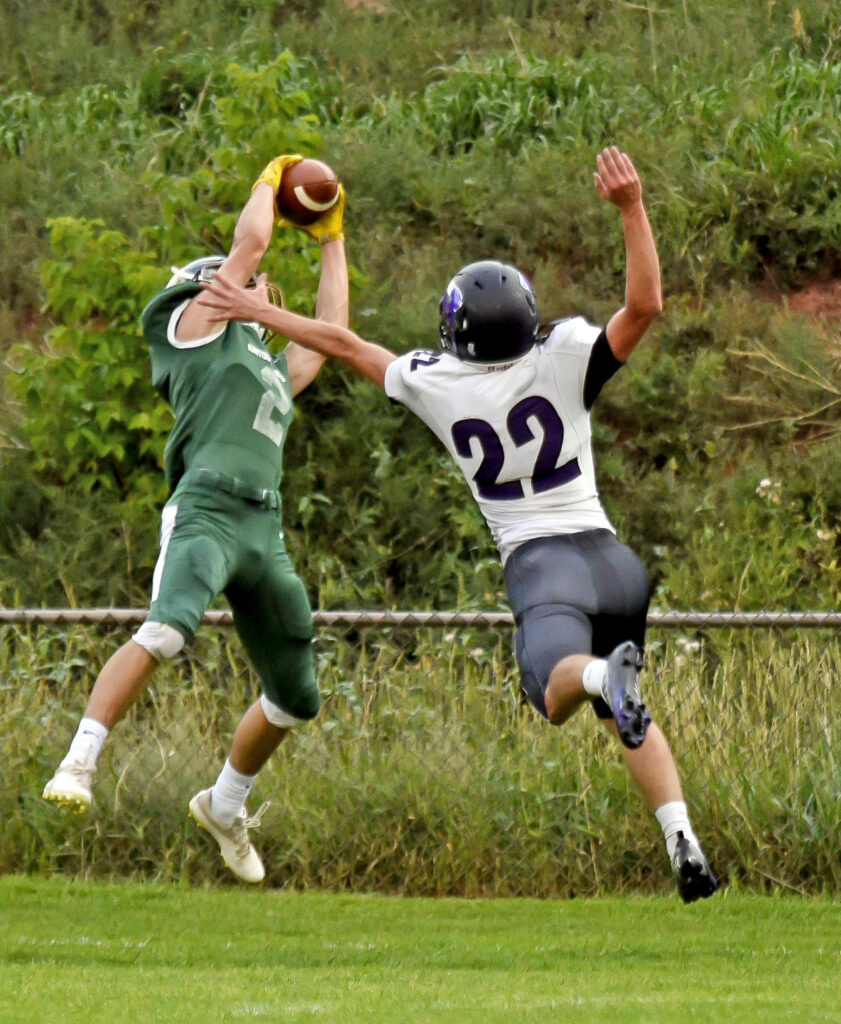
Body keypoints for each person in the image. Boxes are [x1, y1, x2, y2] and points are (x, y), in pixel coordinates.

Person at [197, 147, 720, 902]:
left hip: (545, 567)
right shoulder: (567, 353)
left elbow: (342, 345)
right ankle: (682, 839)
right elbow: (644, 307)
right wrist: (632, 208)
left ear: (455, 329)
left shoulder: (432, 384)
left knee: (556, 692)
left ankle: (604, 673)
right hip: (612, 559)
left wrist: (258, 308)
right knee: (621, 713)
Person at [43, 154, 349, 884]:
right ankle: (79, 760)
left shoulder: (267, 364)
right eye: (242, 286)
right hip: (208, 509)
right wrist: (268, 185)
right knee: (169, 627)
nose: (257, 288)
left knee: (297, 697)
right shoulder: (192, 329)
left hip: (262, 526)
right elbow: (248, 250)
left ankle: (224, 802)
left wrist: (334, 238)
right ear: (207, 288)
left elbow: (328, 334)